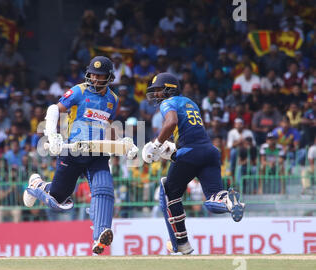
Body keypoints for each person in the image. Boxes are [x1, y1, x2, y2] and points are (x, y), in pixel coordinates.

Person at [23, 56, 136, 255]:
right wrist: (52, 134)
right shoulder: (78, 91)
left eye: (99, 75)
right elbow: (53, 109)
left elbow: (107, 125)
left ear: (109, 77)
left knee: (104, 189)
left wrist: (122, 143)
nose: (94, 78)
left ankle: (99, 237)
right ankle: (36, 186)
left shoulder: (113, 99)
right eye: (92, 73)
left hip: (98, 153)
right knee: (58, 200)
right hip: (73, 151)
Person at [141, 73, 245, 255]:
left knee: (169, 191)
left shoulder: (168, 102)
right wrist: (171, 149)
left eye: (158, 90)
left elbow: (172, 122)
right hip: (210, 152)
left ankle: (182, 243)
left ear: (169, 89)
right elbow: (190, 133)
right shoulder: (190, 102)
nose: (156, 95)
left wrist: (155, 144)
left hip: (190, 153)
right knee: (213, 200)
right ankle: (228, 201)